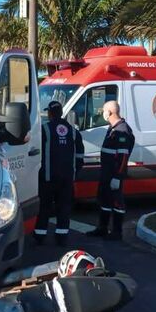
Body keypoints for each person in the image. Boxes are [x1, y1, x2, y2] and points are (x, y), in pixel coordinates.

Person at [33, 101, 84, 246]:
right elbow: (80, 154)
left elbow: (36, 153)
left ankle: (40, 236)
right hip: (67, 178)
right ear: (61, 113)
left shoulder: (44, 129)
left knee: (44, 207)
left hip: (48, 177)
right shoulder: (73, 131)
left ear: (49, 113)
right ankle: (61, 236)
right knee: (64, 207)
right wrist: (75, 171)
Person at [86, 101, 134, 241]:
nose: (102, 114)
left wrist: (118, 177)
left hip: (114, 174)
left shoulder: (122, 130)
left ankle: (117, 232)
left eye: (104, 111)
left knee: (117, 202)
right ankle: (102, 228)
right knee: (104, 200)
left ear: (110, 112)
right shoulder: (113, 128)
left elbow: (123, 156)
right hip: (106, 173)